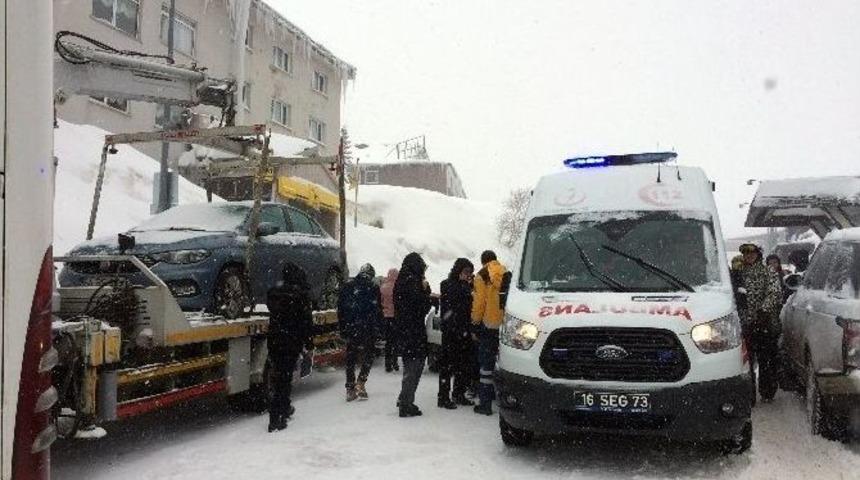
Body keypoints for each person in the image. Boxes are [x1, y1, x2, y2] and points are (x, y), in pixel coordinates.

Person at [265, 263, 315, 432]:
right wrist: (309, 343)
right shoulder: (300, 296)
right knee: (284, 380)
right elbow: (306, 322)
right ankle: (276, 417)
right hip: (291, 342)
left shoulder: (273, 294)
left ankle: (284, 408)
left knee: (280, 376)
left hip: (274, 341)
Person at [739, 243, 783, 403]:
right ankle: (749, 395)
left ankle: (767, 392)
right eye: (745, 253)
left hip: (764, 324)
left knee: (766, 360)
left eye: (752, 253)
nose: (749, 255)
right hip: (745, 325)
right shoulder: (739, 273)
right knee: (746, 362)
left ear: (758, 254)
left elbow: (775, 293)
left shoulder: (767, 271)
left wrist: (763, 310)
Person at [394, 252, 433, 418]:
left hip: (403, 329)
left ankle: (404, 398)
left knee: (410, 366)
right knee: (414, 367)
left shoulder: (401, 280)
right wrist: (427, 292)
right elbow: (421, 308)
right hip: (414, 331)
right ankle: (406, 404)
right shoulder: (413, 282)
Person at [337, 263, 383, 402]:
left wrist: (343, 327)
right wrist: (378, 328)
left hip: (352, 327)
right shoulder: (374, 287)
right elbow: (377, 310)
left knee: (351, 357)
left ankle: (350, 388)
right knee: (368, 355)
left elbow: (341, 309)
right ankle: (361, 382)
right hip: (368, 328)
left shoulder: (348, 286)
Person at [471, 250, 508, 416]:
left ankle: (485, 403)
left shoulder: (481, 275)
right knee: (502, 362)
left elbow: (479, 302)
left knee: (486, 364)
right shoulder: (506, 272)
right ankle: (503, 399)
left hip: (488, 325)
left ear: (483, 261)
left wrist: (475, 322)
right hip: (506, 326)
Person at [437, 258, 476, 409]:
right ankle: (443, 397)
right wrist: (467, 287)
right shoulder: (449, 285)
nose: (468, 275)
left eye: (470, 272)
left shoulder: (464, 286)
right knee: (447, 365)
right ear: (458, 270)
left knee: (463, 365)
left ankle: (458, 393)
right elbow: (455, 303)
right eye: (466, 271)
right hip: (451, 331)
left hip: (463, 331)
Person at [380, 268, 400, 372]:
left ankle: (387, 364)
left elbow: (380, 301)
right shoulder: (398, 287)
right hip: (396, 317)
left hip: (386, 316)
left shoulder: (383, 287)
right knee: (395, 341)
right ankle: (395, 363)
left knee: (388, 341)